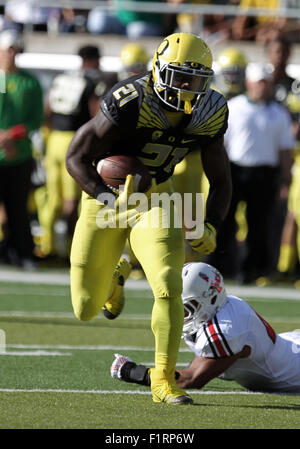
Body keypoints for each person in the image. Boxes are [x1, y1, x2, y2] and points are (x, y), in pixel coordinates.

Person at [66, 32, 232, 404]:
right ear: (158, 70)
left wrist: (211, 224)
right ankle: (114, 279)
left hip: (156, 195)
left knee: (168, 282)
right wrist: (106, 197)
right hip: (105, 198)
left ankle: (162, 380)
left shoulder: (210, 110)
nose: (189, 88)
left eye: (197, 80)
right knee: (85, 307)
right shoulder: (130, 100)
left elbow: (221, 179)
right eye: (180, 77)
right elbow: (75, 158)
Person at [111, 262, 300, 393]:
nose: (177, 312)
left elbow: (190, 379)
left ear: (209, 299)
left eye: (185, 306)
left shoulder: (227, 330)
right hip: (291, 345)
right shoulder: (220, 308)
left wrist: (132, 372)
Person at [209, 62, 295, 284]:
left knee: (258, 224)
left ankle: (251, 270)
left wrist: (285, 180)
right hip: (235, 171)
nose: (262, 87)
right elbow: (221, 145)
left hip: (265, 174)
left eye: (266, 83)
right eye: (259, 83)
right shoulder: (234, 107)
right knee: (225, 221)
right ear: (249, 83)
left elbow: (284, 150)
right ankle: (219, 267)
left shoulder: (279, 113)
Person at [38, 45, 117, 259]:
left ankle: (48, 244)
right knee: (72, 200)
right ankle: (73, 248)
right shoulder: (92, 81)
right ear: (91, 60)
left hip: (54, 138)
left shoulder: (62, 78)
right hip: (74, 140)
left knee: (53, 197)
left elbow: (47, 110)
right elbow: (96, 113)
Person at [0, 29, 43, 268]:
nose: (11, 54)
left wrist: (10, 137)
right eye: (7, 49)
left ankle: (24, 253)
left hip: (19, 155)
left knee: (18, 208)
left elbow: (35, 120)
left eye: (15, 49)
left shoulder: (29, 82)